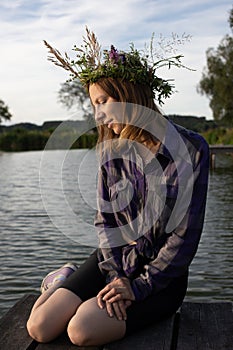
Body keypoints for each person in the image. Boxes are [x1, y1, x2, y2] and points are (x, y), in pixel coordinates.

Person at [27, 28, 209, 347]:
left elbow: (184, 237)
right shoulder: (112, 149)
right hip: (112, 262)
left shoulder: (191, 149)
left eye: (103, 101)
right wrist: (115, 276)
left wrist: (136, 287)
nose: (97, 113)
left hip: (160, 279)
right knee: (39, 328)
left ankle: (83, 300)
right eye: (93, 105)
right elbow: (105, 222)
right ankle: (65, 277)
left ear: (128, 92)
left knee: (81, 330)